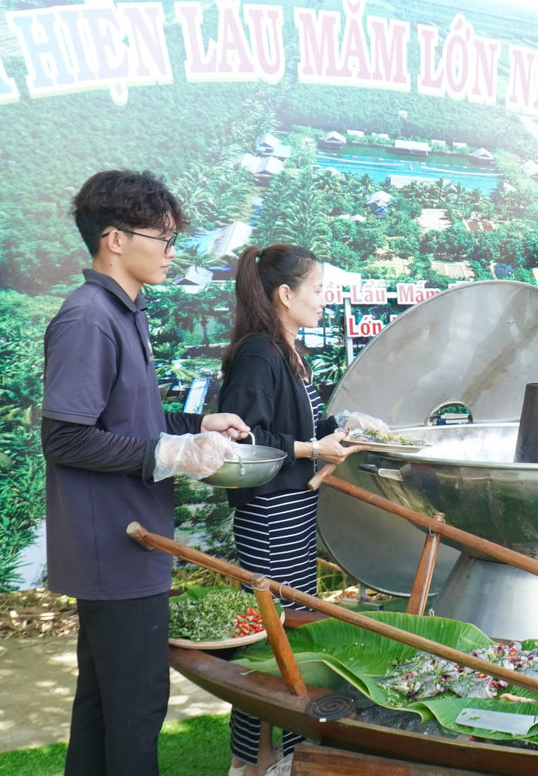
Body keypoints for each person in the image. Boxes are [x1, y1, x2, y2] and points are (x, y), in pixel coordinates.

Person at [42, 170, 250, 776]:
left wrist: (196, 426)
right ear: (114, 239)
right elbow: (65, 437)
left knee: (103, 707)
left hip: (131, 538)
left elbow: (130, 419)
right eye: (162, 239)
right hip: (114, 545)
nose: (171, 253)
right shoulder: (89, 318)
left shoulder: (123, 311)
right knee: (135, 708)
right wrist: (167, 455)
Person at [217, 244, 366, 776]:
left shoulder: (287, 351)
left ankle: (284, 758)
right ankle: (248, 761)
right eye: (318, 290)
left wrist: (342, 431)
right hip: (269, 517)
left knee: (291, 639)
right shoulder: (259, 354)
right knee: (269, 642)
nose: (325, 300)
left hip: (295, 513)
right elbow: (241, 437)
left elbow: (301, 430)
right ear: (285, 294)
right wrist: (310, 449)